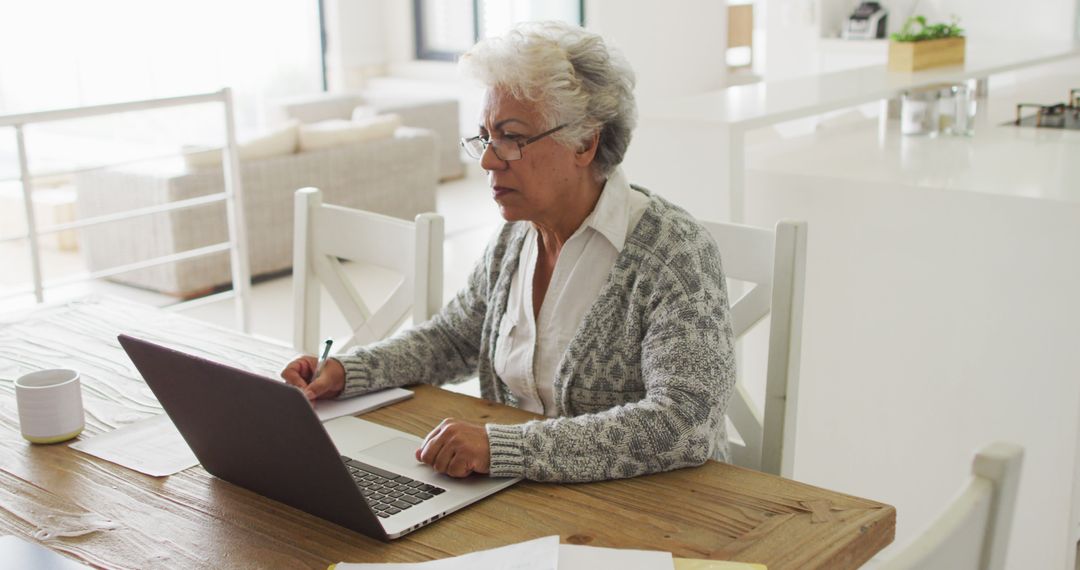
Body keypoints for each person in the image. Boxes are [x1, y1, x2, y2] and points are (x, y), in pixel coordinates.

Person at [282, 21, 735, 483]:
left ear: (584, 142)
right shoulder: (517, 236)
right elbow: (454, 337)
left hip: (650, 514)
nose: (487, 160)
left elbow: (683, 422)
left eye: (512, 137)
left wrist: (503, 448)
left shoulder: (674, 253)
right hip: (520, 498)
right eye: (485, 136)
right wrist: (346, 371)